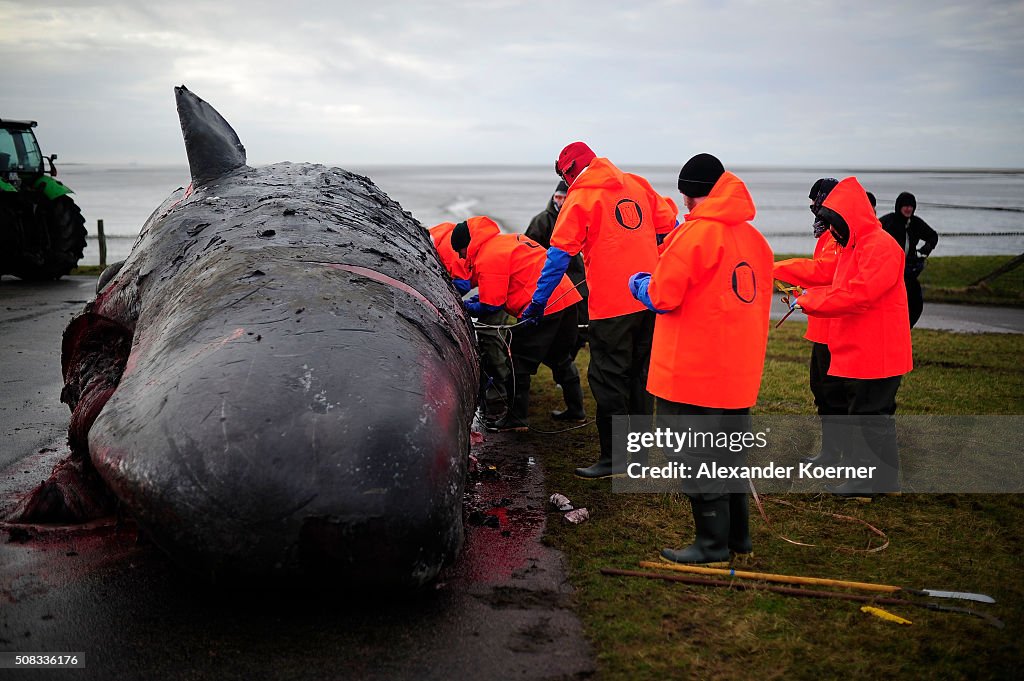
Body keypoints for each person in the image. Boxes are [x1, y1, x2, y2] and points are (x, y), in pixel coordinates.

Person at [629, 153, 773, 566]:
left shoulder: (694, 236)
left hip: (691, 373)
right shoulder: (755, 240)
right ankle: (738, 539)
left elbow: (662, 295)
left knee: (695, 458)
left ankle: (710, 545)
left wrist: (638, 285)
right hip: (736, 373)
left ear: (691, 195)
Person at [524, 142, 678, 478]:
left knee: (608, 380)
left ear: (569, 170)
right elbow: (670, 226)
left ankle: (614, 460)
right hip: (649, 299)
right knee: (639, 377)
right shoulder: (636, 183)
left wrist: (538, 301)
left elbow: (558, 257)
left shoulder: (581, 198)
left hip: (611, 308)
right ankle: (637, 459)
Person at [797, 177, 913, 500]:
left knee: (867, 414)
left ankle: (862, 485)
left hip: (879, 349)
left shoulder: (880, 246)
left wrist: (810, 302)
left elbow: (857, 295)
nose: (832, 230)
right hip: (866, 347)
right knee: (876, 415)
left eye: (835, 223)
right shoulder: (856, 246)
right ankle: (887, 482)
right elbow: (829, 279)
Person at [451, 217, 584, 431]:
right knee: (560, 357)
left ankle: (517, 419)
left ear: (467, 245)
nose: (460, 257)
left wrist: (463, 307)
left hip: (543, 307)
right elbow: (502, 287)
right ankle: (577, 410)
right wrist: (476, 301)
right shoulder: (507, 240)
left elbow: (492, 305)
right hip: (567, 298)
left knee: (518, 362)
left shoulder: (487, 257)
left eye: (460, 251)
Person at [773, 179, 847, 468]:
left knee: (832, 393)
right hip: (822, 326)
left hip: (835, 328)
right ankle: (832, 452)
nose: (813, 209)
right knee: (821, 390)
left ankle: (836, 455)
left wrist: (775, 268)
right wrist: (804, 294)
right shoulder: (827, 233)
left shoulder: (837, 234)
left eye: (817, 203)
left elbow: (824, 271)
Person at [429, 221, 511, 424]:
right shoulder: (440, 237)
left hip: (498, 294)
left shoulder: (449, 247)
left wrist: (453, 304)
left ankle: (500, 400)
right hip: (494, 289)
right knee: (495, 341)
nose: (463, 256)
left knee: (491, 341)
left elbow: (463, 283)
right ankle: (499, 393)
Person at [525, 180, 589, 362]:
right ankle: (558, 361)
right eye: (557, 197)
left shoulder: (578, 217)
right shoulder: (542, 221)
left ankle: (568, 359)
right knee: (554, 327)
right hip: (554, 279)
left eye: (564, 197)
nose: (560, 201)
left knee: (582, 326)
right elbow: (529, 249)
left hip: (578, 277)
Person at [880, 192, 939, 328]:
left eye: (911, 206)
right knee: (891, 302)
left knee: (915, 302)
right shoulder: (888, 222)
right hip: (890, 271)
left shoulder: (915, 223)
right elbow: (873, 236)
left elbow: (932, 236)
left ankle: (906, 327)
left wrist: (926, 249)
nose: (908, 209)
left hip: (909, 270)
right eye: (905, 206)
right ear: (899, 206)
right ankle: (892, 327)